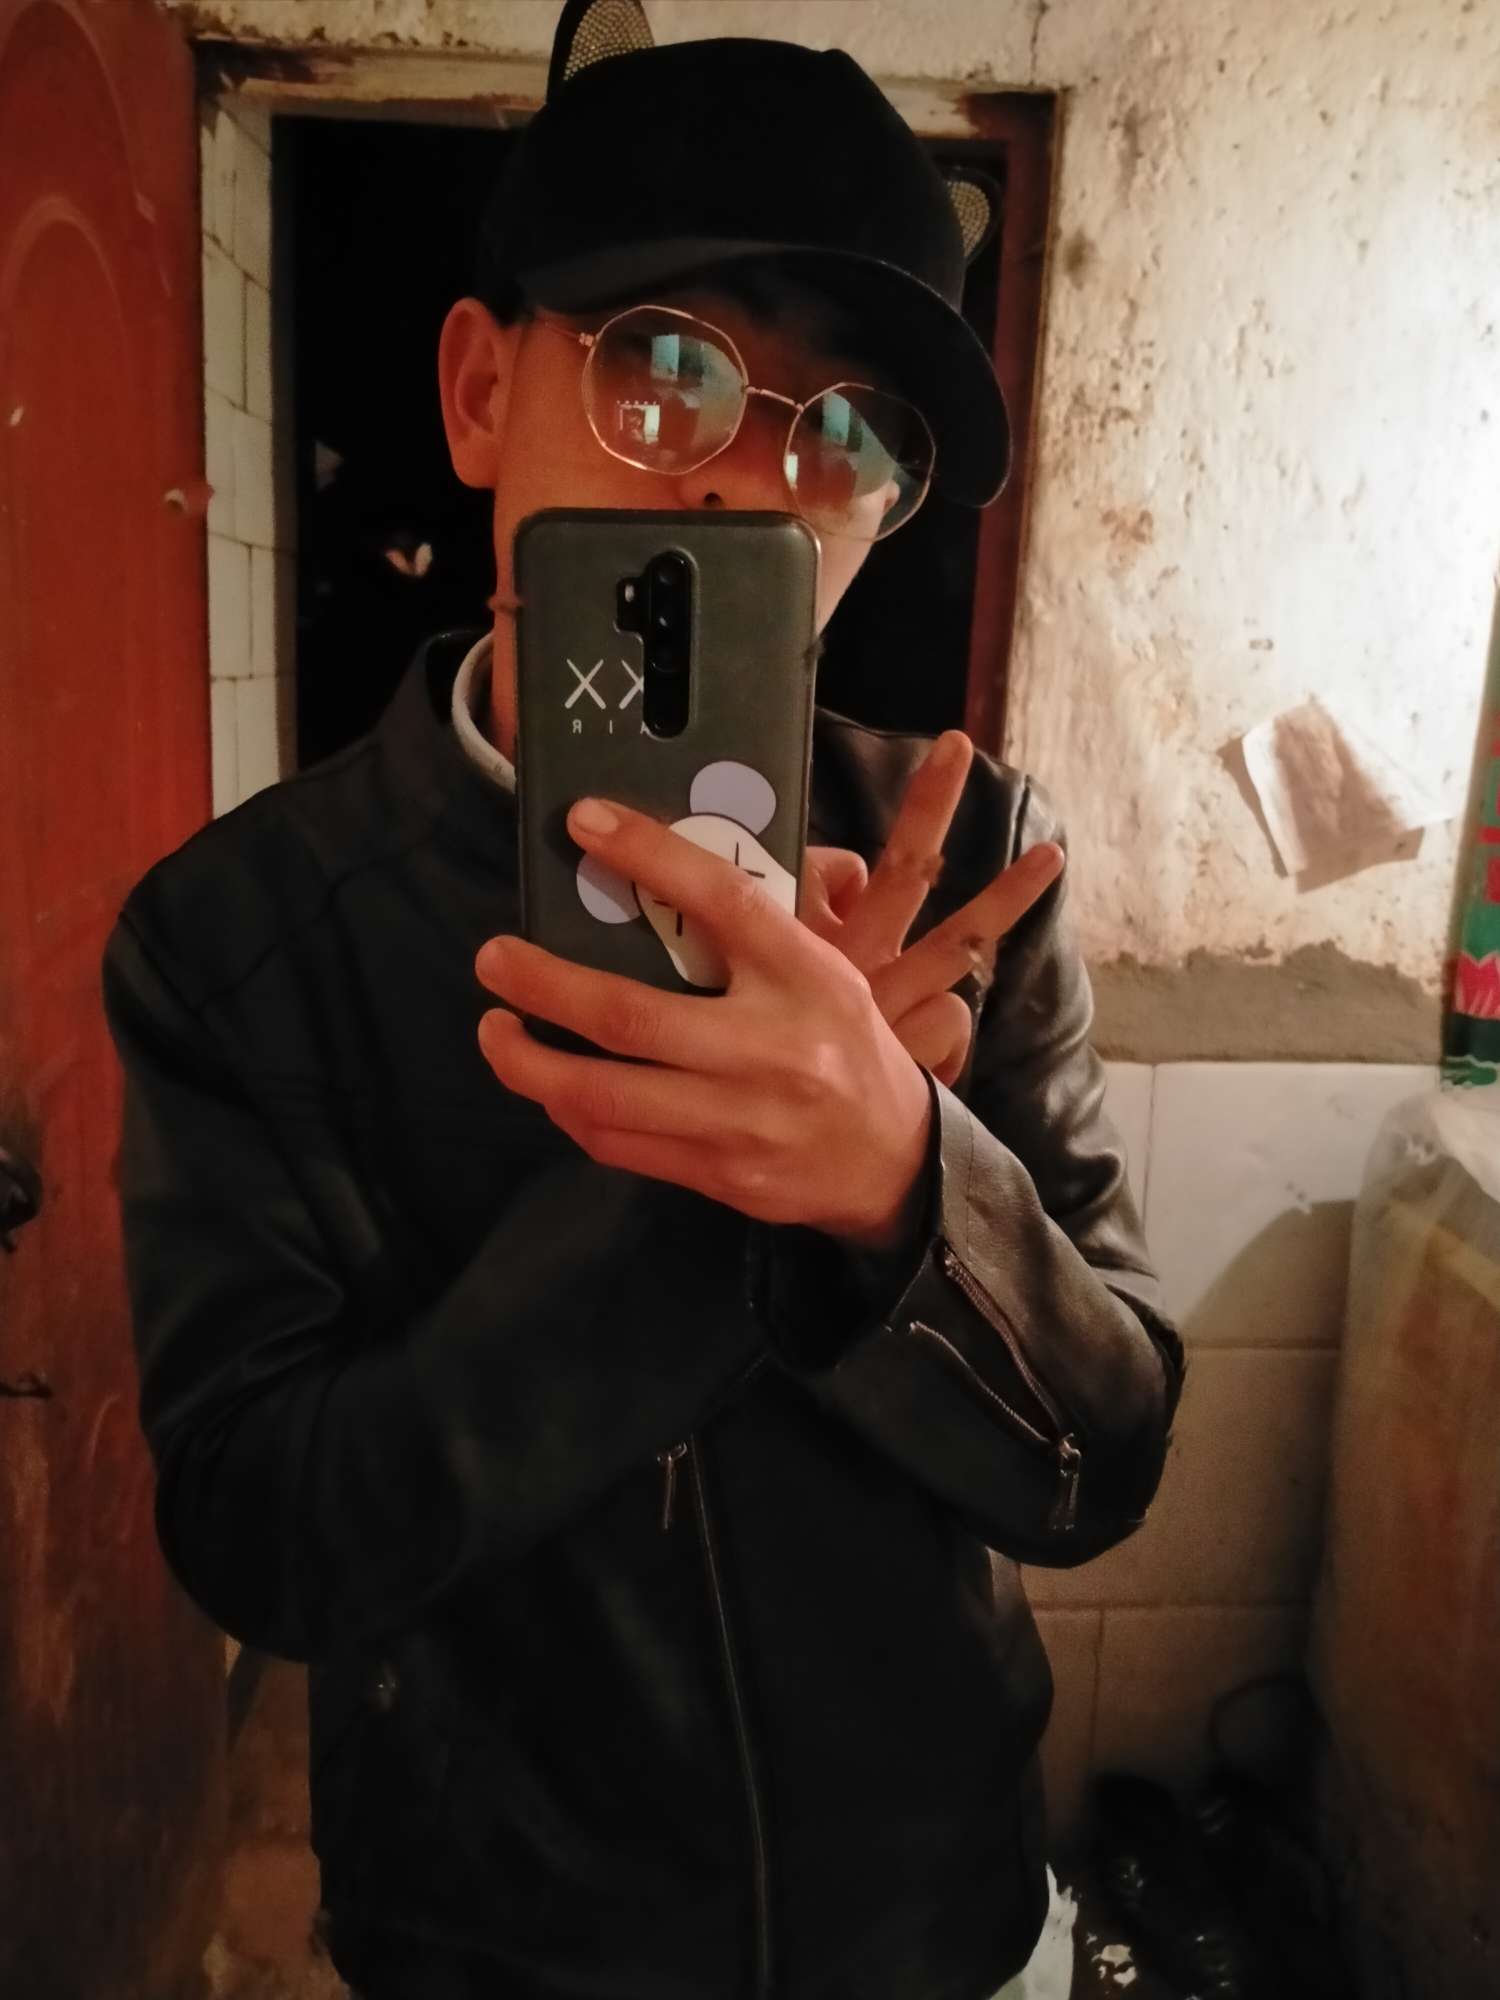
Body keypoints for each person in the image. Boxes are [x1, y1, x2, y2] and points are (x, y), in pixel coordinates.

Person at [101, 5, 1185, 1996]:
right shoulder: (242, 939)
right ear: (477, 390)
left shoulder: (968, 866)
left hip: (935, 1923)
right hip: (492, 1950)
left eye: (850, 433)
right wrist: (708, 1197)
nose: (764, 486)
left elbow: (1097, 1465)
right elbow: (269, 1541)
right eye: (668, 370)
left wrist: (903, 1182)